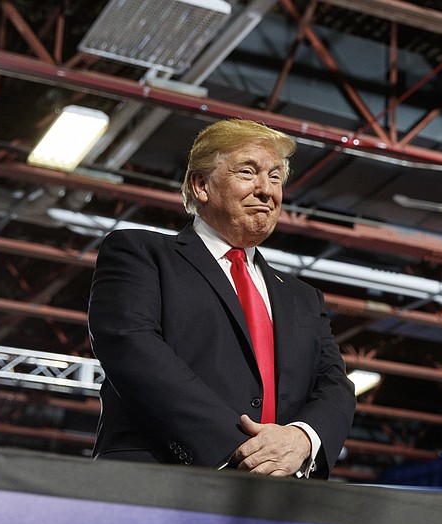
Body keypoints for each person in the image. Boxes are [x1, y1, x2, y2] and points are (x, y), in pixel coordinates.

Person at [88, 119, 356, 477]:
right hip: (159, 482)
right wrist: (241, 449)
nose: (266, 190)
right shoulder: (140, 253)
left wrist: (301, 440)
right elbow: (132, 349)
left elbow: (334, 384)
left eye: (275, 178)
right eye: (248, 172)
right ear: (201, 185)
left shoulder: (304, 298)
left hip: (278, 496)